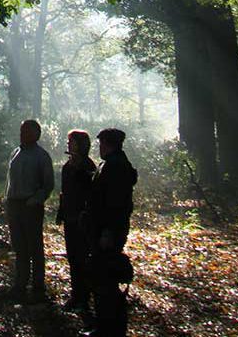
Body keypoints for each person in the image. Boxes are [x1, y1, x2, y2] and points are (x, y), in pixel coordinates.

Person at [87, 128, 138, 336]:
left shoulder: (114, 166)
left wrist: (107, 232)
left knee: (105, 278)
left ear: (108, 143)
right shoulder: (115, 164)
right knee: (105, 277)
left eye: (101, 143)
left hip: (108, 231)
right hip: (107, 229)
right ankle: (109, 326)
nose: (99, 147)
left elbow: (114, 204)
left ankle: (107, 328)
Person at [5, 119, 54, 302]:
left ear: (36, 134)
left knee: (34, 247)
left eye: (26, 130)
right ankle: (20, 283)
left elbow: (48, 185)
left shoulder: (42, 157)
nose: (22, 133)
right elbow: (9, 180)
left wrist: (35, 201)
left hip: (30, 206)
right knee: (19, 247)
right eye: (21, 130)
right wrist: (7, 201)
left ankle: (38, 286)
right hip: (15, 205)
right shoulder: (15, 153)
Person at [56, 129, 96, 310]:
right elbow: (65, 192)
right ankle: (76, 295)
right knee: (72, 257)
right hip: (70, 218)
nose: (68, 144)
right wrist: (61, 211)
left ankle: (84, 298)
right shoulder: (67, 166)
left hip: (83, 220)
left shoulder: (88, 167)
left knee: (83, 258)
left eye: (71, 141)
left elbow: (92, 196)